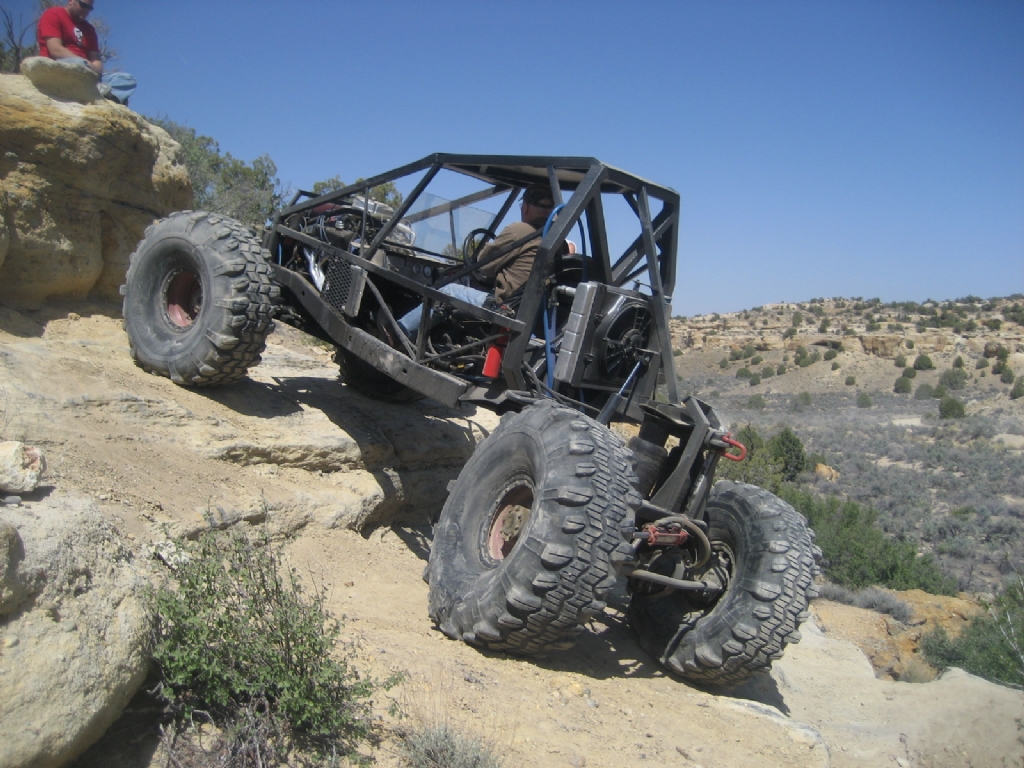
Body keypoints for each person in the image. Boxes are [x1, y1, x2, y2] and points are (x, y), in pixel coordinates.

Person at [401, 183, 567, 335]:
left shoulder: (519, 230)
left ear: (526, 207)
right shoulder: (559, 243)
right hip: (534, 315)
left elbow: (483, 266)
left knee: (447, 290)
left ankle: (399, 332)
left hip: (505, 309)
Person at [37, 0, 136, 105]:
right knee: (78, 64)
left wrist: (92, 68)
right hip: (61, 68)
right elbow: (55, 50)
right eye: (83, 5)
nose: (86, 10)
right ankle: (96, 93)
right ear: (71, 1)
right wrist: (85, 64)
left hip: (88, 74)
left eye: (90, 8)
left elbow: (96, 60)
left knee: (127, 79)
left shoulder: (89, 29)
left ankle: (104, 96)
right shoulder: (53, 14)